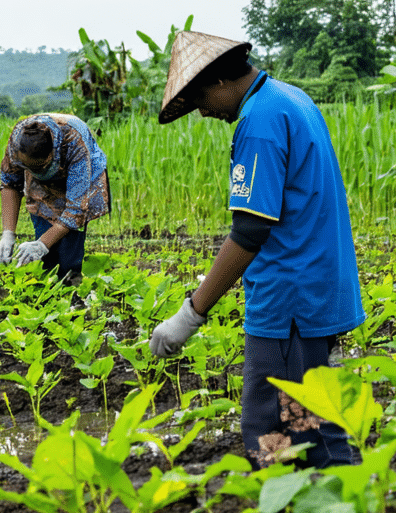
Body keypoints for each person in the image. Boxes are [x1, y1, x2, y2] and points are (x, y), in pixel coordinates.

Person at [149, 31, 365, 469]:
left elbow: (250, 230)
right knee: (315, 418)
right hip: (317, 284)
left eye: (202, 100)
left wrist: (191, 314)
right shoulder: (290, 98)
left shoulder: (259, 122)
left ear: (220, 82)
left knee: (277, 429)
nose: (204, 113)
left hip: (291, 301)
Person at [0, 113, 111, 279]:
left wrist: (43, 244)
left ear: (51, 156)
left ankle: (72, 289)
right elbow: (10, 182)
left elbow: (76, 211)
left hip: (80, 176)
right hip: (42, 186)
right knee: (45, 251)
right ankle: (46, 285)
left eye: (37, 167)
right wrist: (8, 234)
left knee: (68, 255)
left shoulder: (73, 141)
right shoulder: (18, 141)